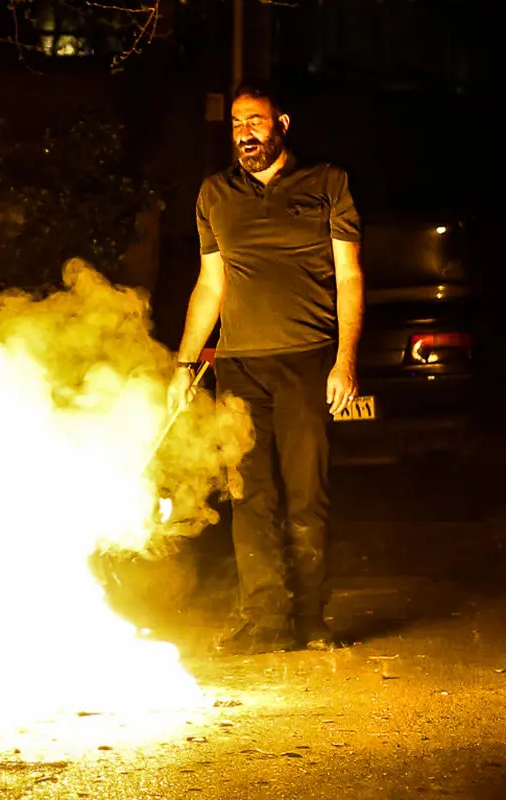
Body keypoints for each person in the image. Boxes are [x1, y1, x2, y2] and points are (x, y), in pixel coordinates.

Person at [168, 80, 364, 655]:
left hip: (305, 359)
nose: (245, 132)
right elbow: (210, 284)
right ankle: (266, 620)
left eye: (254, 121)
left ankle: (310, 620)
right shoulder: (214, 194)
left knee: (306, 495)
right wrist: (184, 364)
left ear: (282, 123)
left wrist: (344, 360)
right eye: (235, 123)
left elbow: (349, 275)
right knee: (250, 497)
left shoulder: (327, 184)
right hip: (238, 366)